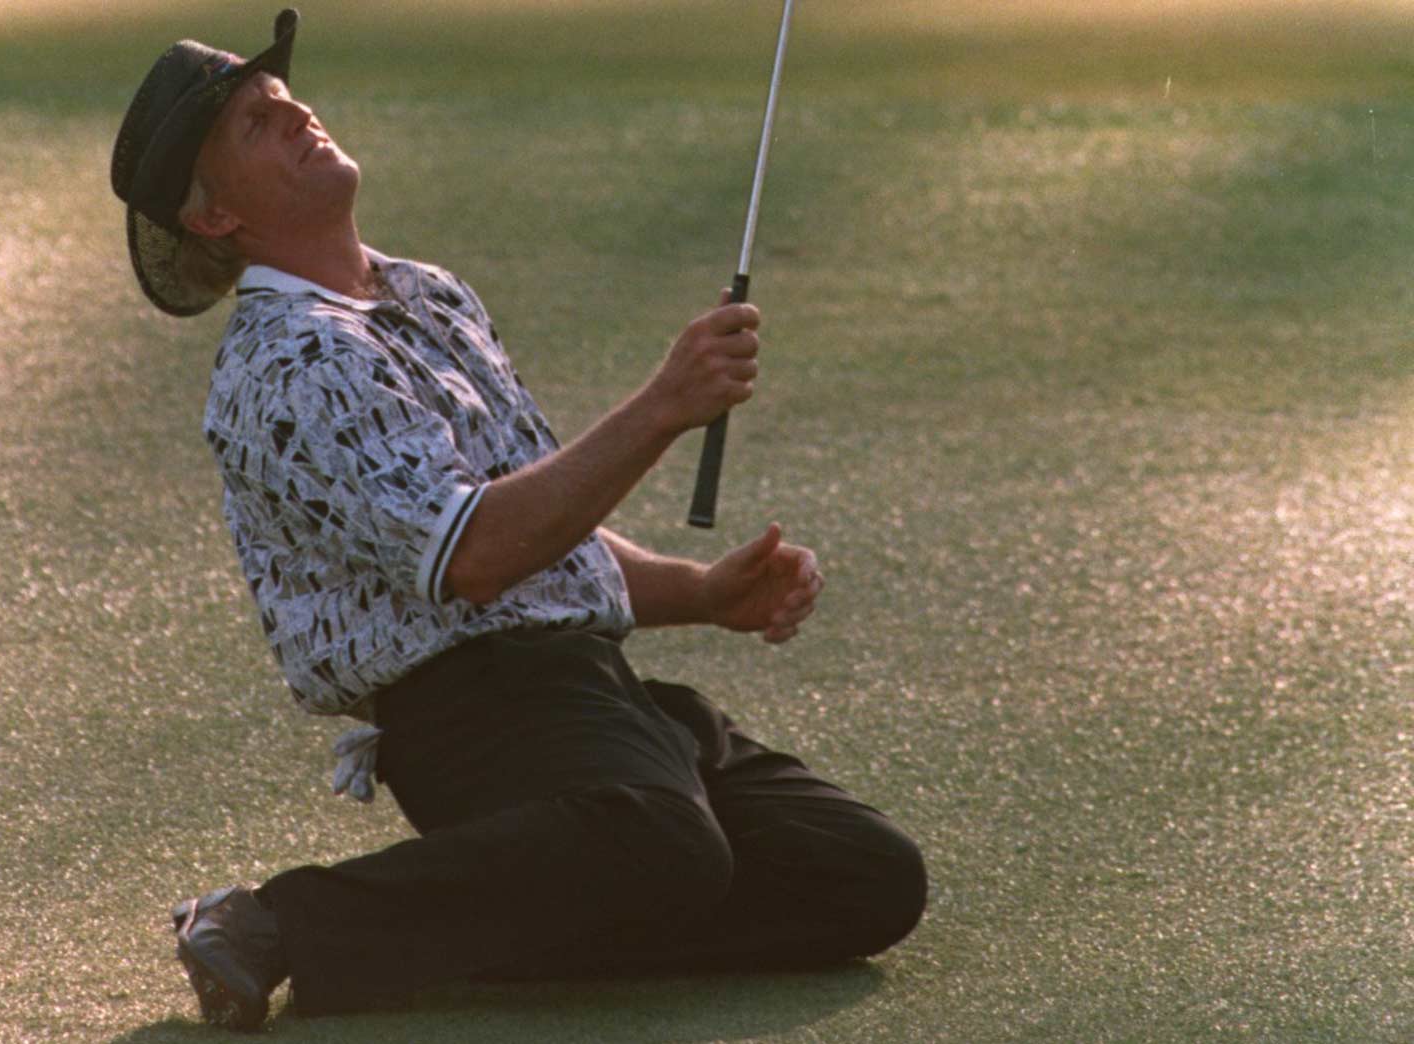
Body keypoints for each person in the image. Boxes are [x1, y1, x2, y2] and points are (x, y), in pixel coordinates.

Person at [108, 10, 926, 1031]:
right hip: (475, 721)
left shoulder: (429, 293)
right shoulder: (287, 363)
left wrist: (701, 593)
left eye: (280, 96)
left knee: (862, 878)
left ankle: (503, 925)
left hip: (595, 693)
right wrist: (664, 404)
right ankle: (276, 923)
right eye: (250, 122)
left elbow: (538, 523)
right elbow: (479, 553)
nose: (292, 111)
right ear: (216, 219)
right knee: (667, 847)